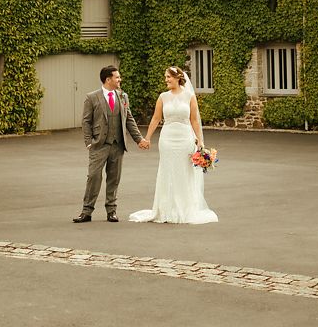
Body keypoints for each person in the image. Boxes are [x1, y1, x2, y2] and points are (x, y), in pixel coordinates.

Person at [128, 65, 218, 224]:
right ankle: (166, 209)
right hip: (167, 138)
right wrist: (147, 138)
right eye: (165, 77)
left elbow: (194, 120)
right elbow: (156, 119)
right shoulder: (163, 96)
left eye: (168, 77)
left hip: (185, 138)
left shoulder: (189, 96)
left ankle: (185, 208)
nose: (166, 80)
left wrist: (200, 140)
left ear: (177, 77)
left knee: (184, 172)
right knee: (167, 171)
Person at [74, 65, 148, 223]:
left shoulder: (123, 96)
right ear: (108, 79)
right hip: (99, 144)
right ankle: (86, 212)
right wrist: (89, 142)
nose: (120, 79)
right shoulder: (92, 97)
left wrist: (139, 139)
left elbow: (129, 119)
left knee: (114, 179)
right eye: (117, 77)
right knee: (93, 177)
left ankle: (111, 211)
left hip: (118, 144)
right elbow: (86, 121)